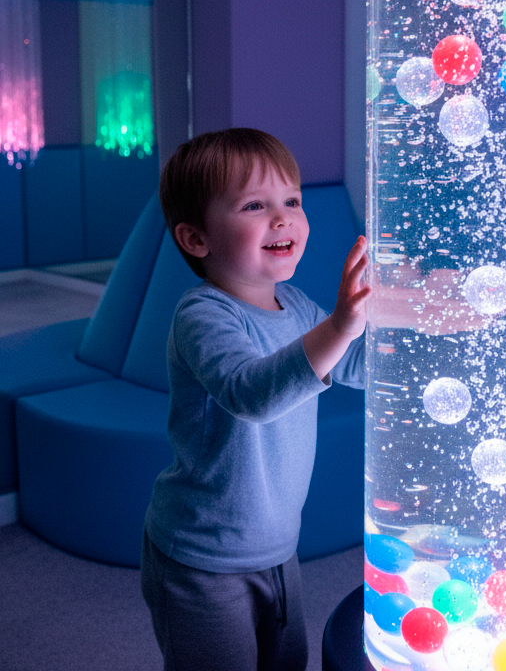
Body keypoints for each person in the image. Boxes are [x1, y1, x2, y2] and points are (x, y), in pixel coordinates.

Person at [140, 127, 369, 671]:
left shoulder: (295, 304)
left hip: (277, 549)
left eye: (291, 200)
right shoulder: (203, 315)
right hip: (201, 556)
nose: (283, 217)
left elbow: (354, 364)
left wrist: (424, 329)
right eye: (254, 205)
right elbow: (251, 394)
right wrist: (341, 323)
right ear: (197, 239)